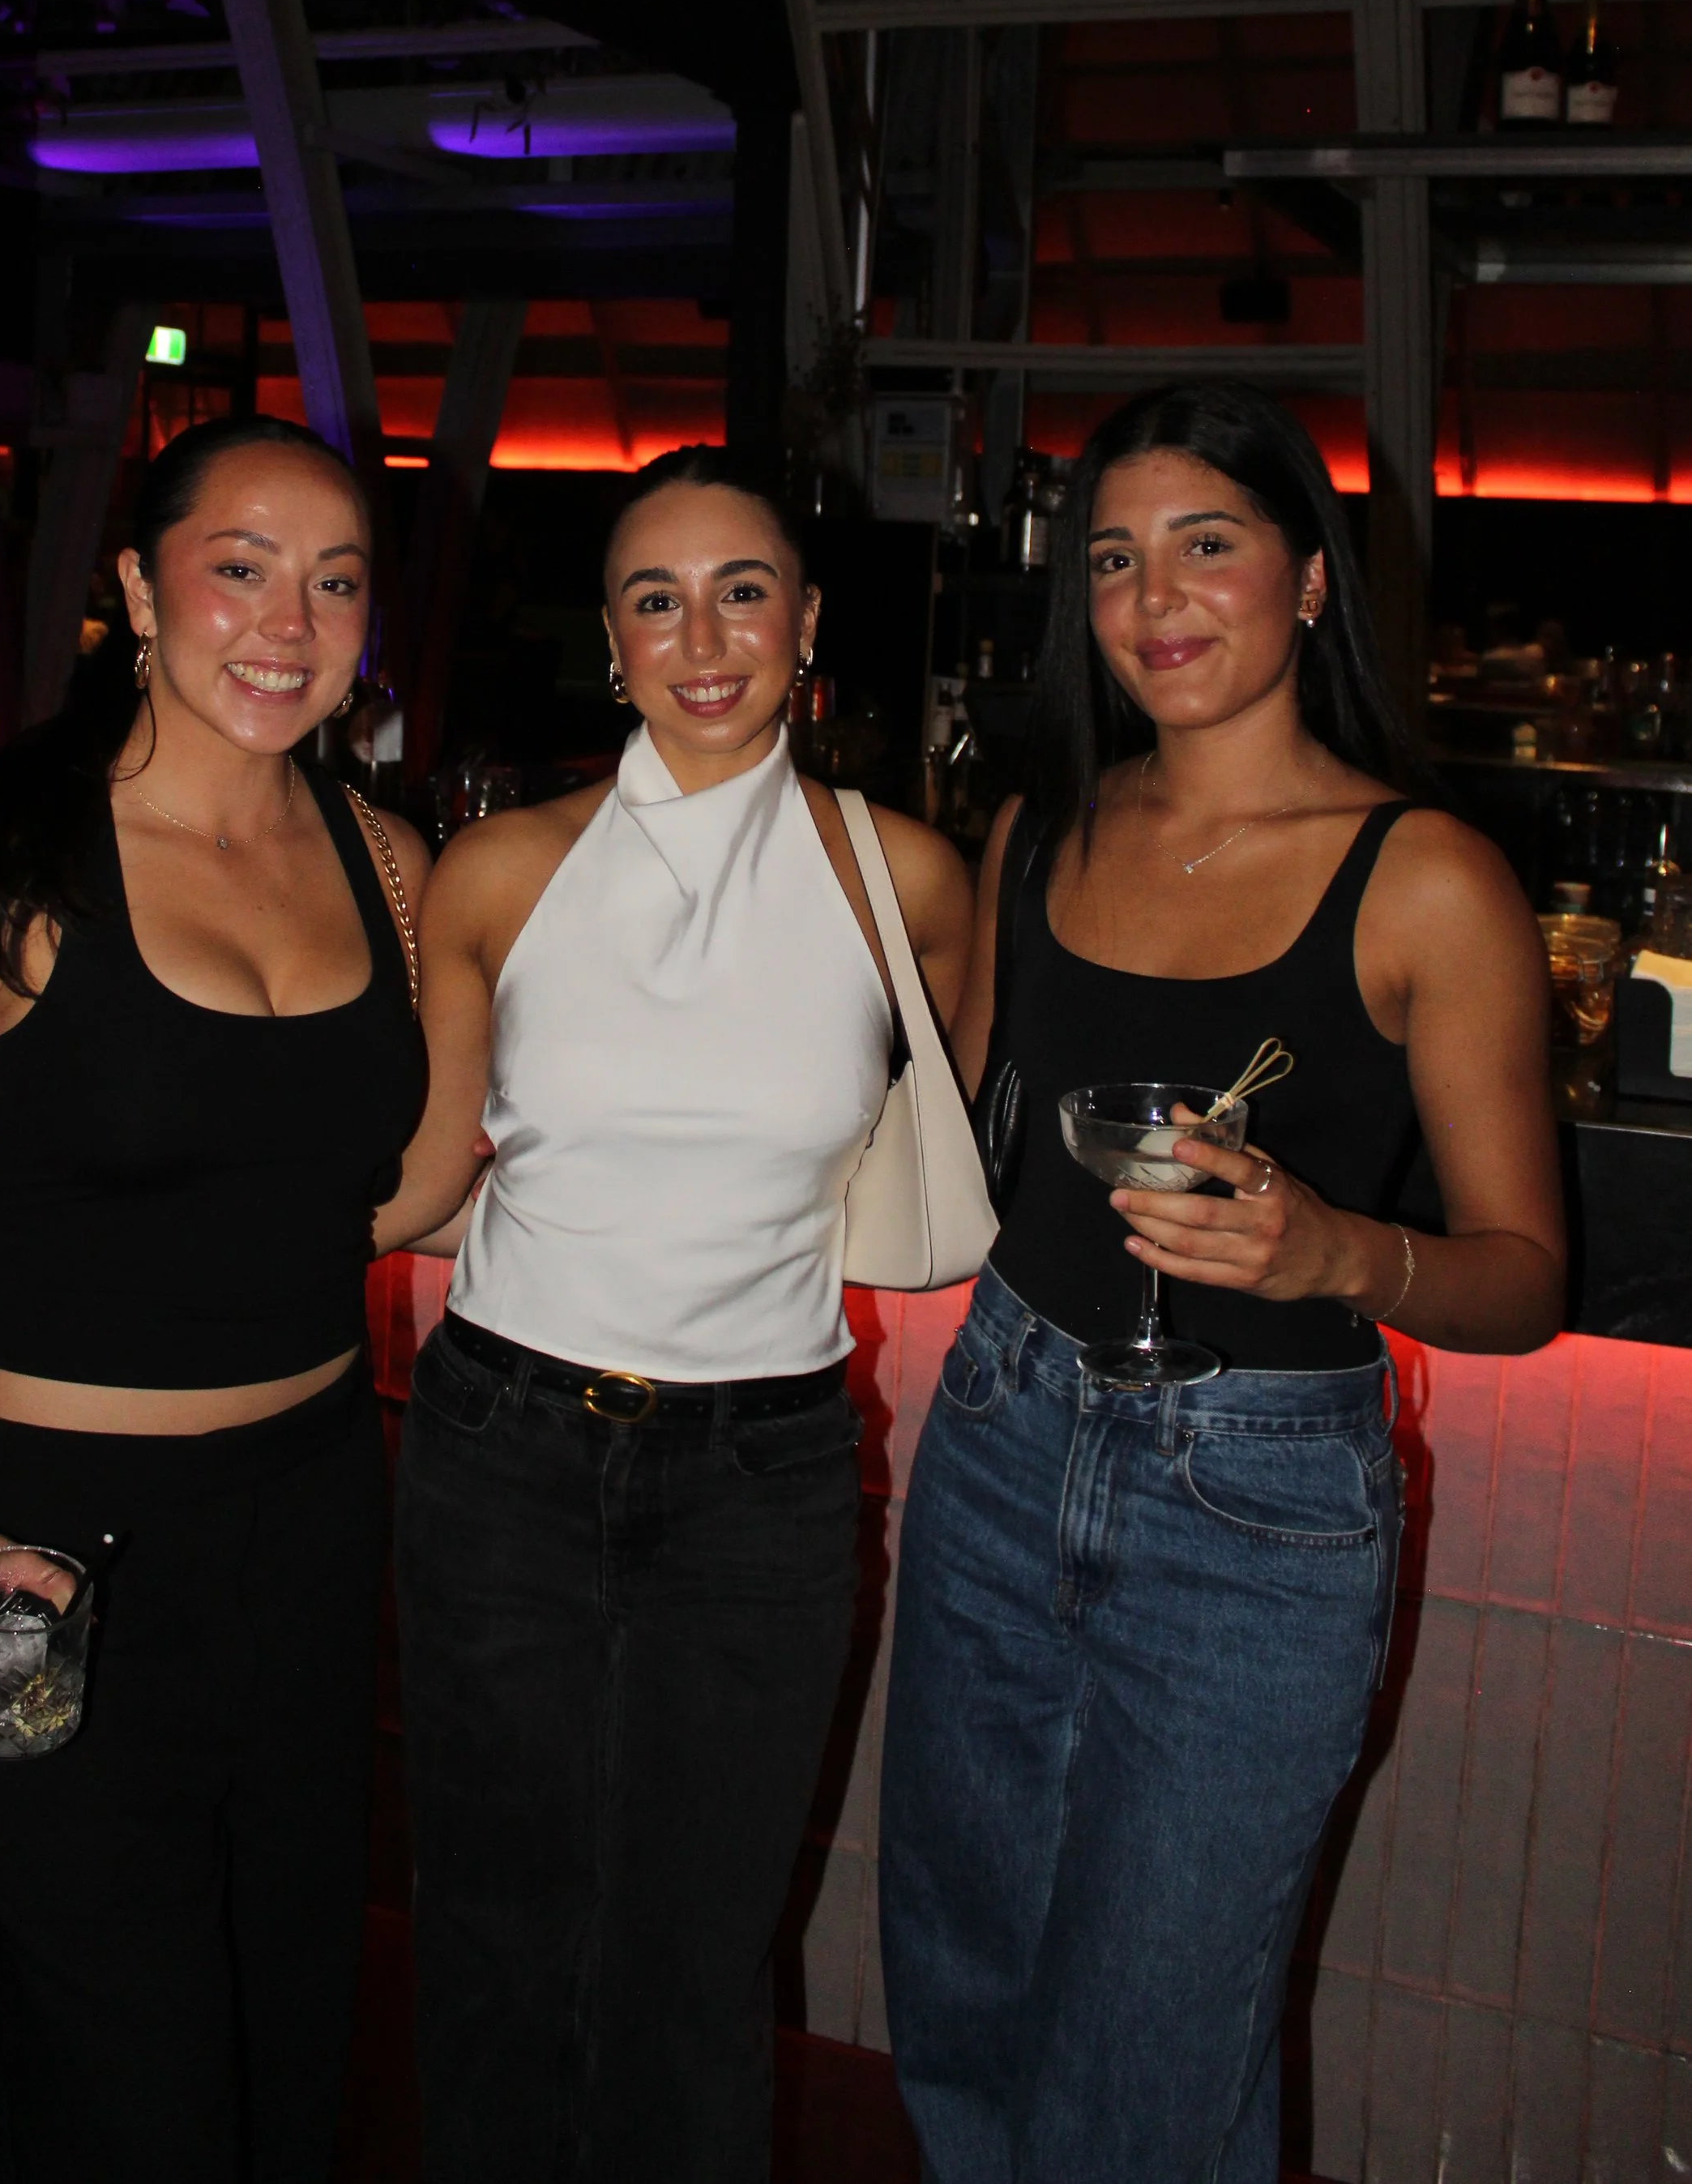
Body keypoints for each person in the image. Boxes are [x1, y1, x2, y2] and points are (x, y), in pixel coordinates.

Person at [880, 383, 1564, 2184]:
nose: (1154, 599)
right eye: (1112, 558)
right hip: (1001, 1432)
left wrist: (1338, 1249)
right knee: (956, 1979)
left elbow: (1521, 1278)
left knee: (1153, 2038)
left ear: (1308, 584)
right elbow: (941, 1125)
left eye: (1205, 546)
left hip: (1251, 1502)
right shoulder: (1047, 830)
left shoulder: (1423, 881)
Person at [0, 413, 427, 2184]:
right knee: (114, 2079)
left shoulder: (386, 864)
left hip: (307, 1522)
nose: (287, 620)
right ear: (139, 587)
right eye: (239, 567)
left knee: (291, 2027)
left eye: (334, 579)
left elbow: (412, 1181)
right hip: (41, 1549)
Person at [376, 444, 973, 2184]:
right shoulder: (497, 869)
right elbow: (421, 1175)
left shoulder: (906, 885)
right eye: (655, 597)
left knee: (695, 1957)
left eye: (740, 591)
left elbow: (975, 1128)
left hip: (763, 1473)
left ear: (805, 626)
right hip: (500, 1445)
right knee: (491, 1930)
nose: (699, 636)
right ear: (610, 638)